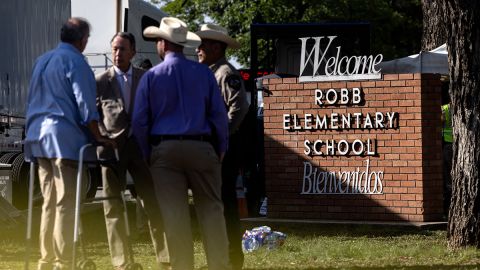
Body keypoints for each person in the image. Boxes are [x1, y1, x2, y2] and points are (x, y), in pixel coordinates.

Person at [132, 17, 231, 270]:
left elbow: (140, 121)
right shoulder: (203, 73)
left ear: (164, 44)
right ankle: (219, 265)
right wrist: (221, 147)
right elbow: (218, 114)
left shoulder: (151, 76)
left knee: (174, 217)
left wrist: (147, 153)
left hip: (164, 151)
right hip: (202, 146)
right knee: (211, 211)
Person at [24, 17, 115, 270]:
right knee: (65, 203)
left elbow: (31, 99)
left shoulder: (42, 60)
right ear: (83, 40)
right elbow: (86, 105)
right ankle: (63, 262)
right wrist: (98, 134)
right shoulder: (76, 62)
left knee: (49, 202)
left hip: (38, 137)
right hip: (63, 139)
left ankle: (46, 260)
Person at [95, 32, 170, 270]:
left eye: (123, 49)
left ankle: (166, 258)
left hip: (141, 149)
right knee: (113, 206)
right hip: (110, 150)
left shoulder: (145, 78)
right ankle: (121, 261)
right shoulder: (100, 81)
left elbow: (157, 110)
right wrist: (102, 136)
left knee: (153, 202)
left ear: (133, 52)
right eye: (114, 49)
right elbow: (91, 116)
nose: (117, 54)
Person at [196, 24, 249, 270]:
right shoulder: (210, 72)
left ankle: (232, 256)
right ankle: (222, 256)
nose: (198, 49)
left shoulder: (226, 72)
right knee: (214, 202)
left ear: (216, 47)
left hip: (224, 148)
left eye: (203, 44)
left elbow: (239, 107)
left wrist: (220, 135)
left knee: (224, 202)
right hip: (213, 147)